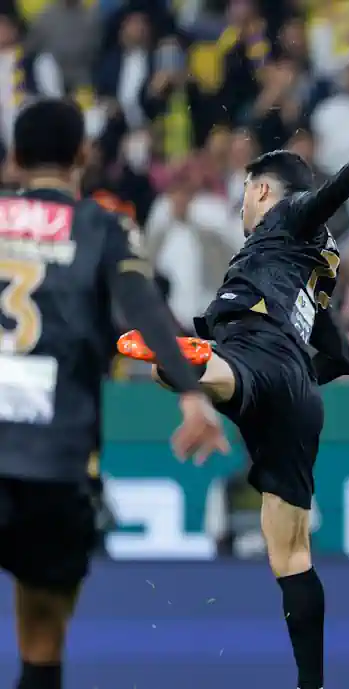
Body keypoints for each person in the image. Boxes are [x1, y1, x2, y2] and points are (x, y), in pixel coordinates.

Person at [115, 138, 349, 689]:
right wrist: (291, 380)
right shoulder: (315, 274)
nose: (242, 203)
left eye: (246, 191)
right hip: (299, 393)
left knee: (173, 371)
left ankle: (197, 371)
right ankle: (312, 684)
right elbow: (341, 357)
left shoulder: (281, 221)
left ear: (264, 190)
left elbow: (311, 204)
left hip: (254, 354)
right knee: (292, 554)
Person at [0, 97, 228, 689]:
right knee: (42, 640)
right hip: (54, 460)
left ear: (15, 158)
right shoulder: (101, 226)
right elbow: (145, 309)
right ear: (82, 155)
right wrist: (191, 395)